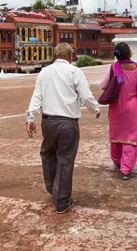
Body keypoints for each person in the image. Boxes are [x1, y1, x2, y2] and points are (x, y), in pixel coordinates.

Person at [26, 42, 100, 214]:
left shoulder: (44, 72)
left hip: (48, 122)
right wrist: (95, 109)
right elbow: (86, 95)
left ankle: (53, 189)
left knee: (48, 155)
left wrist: (31, 118)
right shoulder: (75, 72)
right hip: (68, 123)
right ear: (70, 55)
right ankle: (62, 201)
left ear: (55, 55)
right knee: (65, 160)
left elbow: (37, 96)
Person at [100, 42, 137, 180]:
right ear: (129, 53)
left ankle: (117, 161)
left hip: (117, 108)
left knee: (117, 136)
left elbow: (103, 85)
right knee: (131, 138)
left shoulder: (113, 68)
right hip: (135, 108)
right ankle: (126, 169)